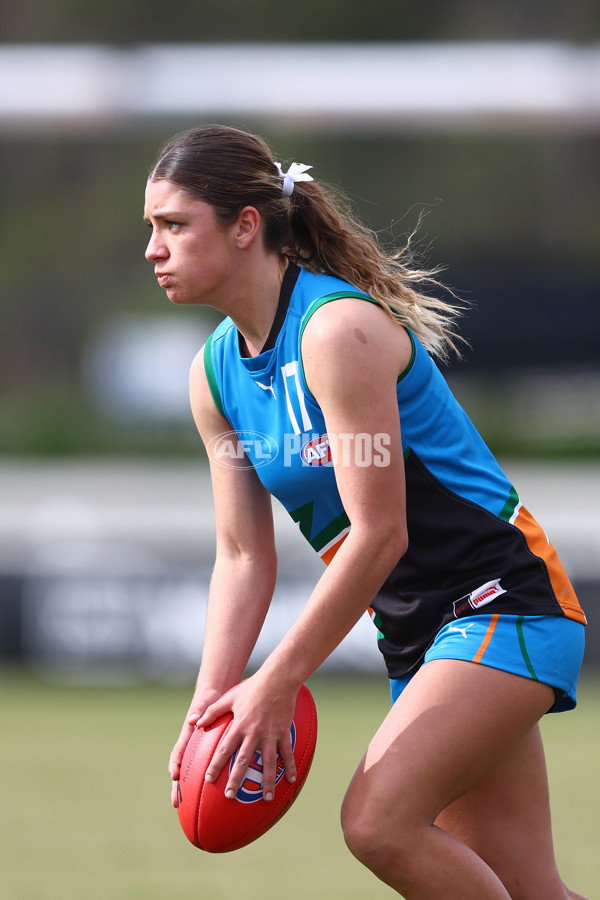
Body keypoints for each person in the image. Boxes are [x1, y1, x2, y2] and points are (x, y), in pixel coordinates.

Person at [144, 124, 588, 900]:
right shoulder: (214, 376)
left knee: (376, 823)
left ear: (246, 225)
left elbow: (382, 535)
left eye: (175, 225)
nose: (154, 248)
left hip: (501, 603)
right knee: (531, 887)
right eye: (151, 228)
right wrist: (209, 704)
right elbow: (244, 558)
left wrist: (278, 680)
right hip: (421, 635)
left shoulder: (335, 332)